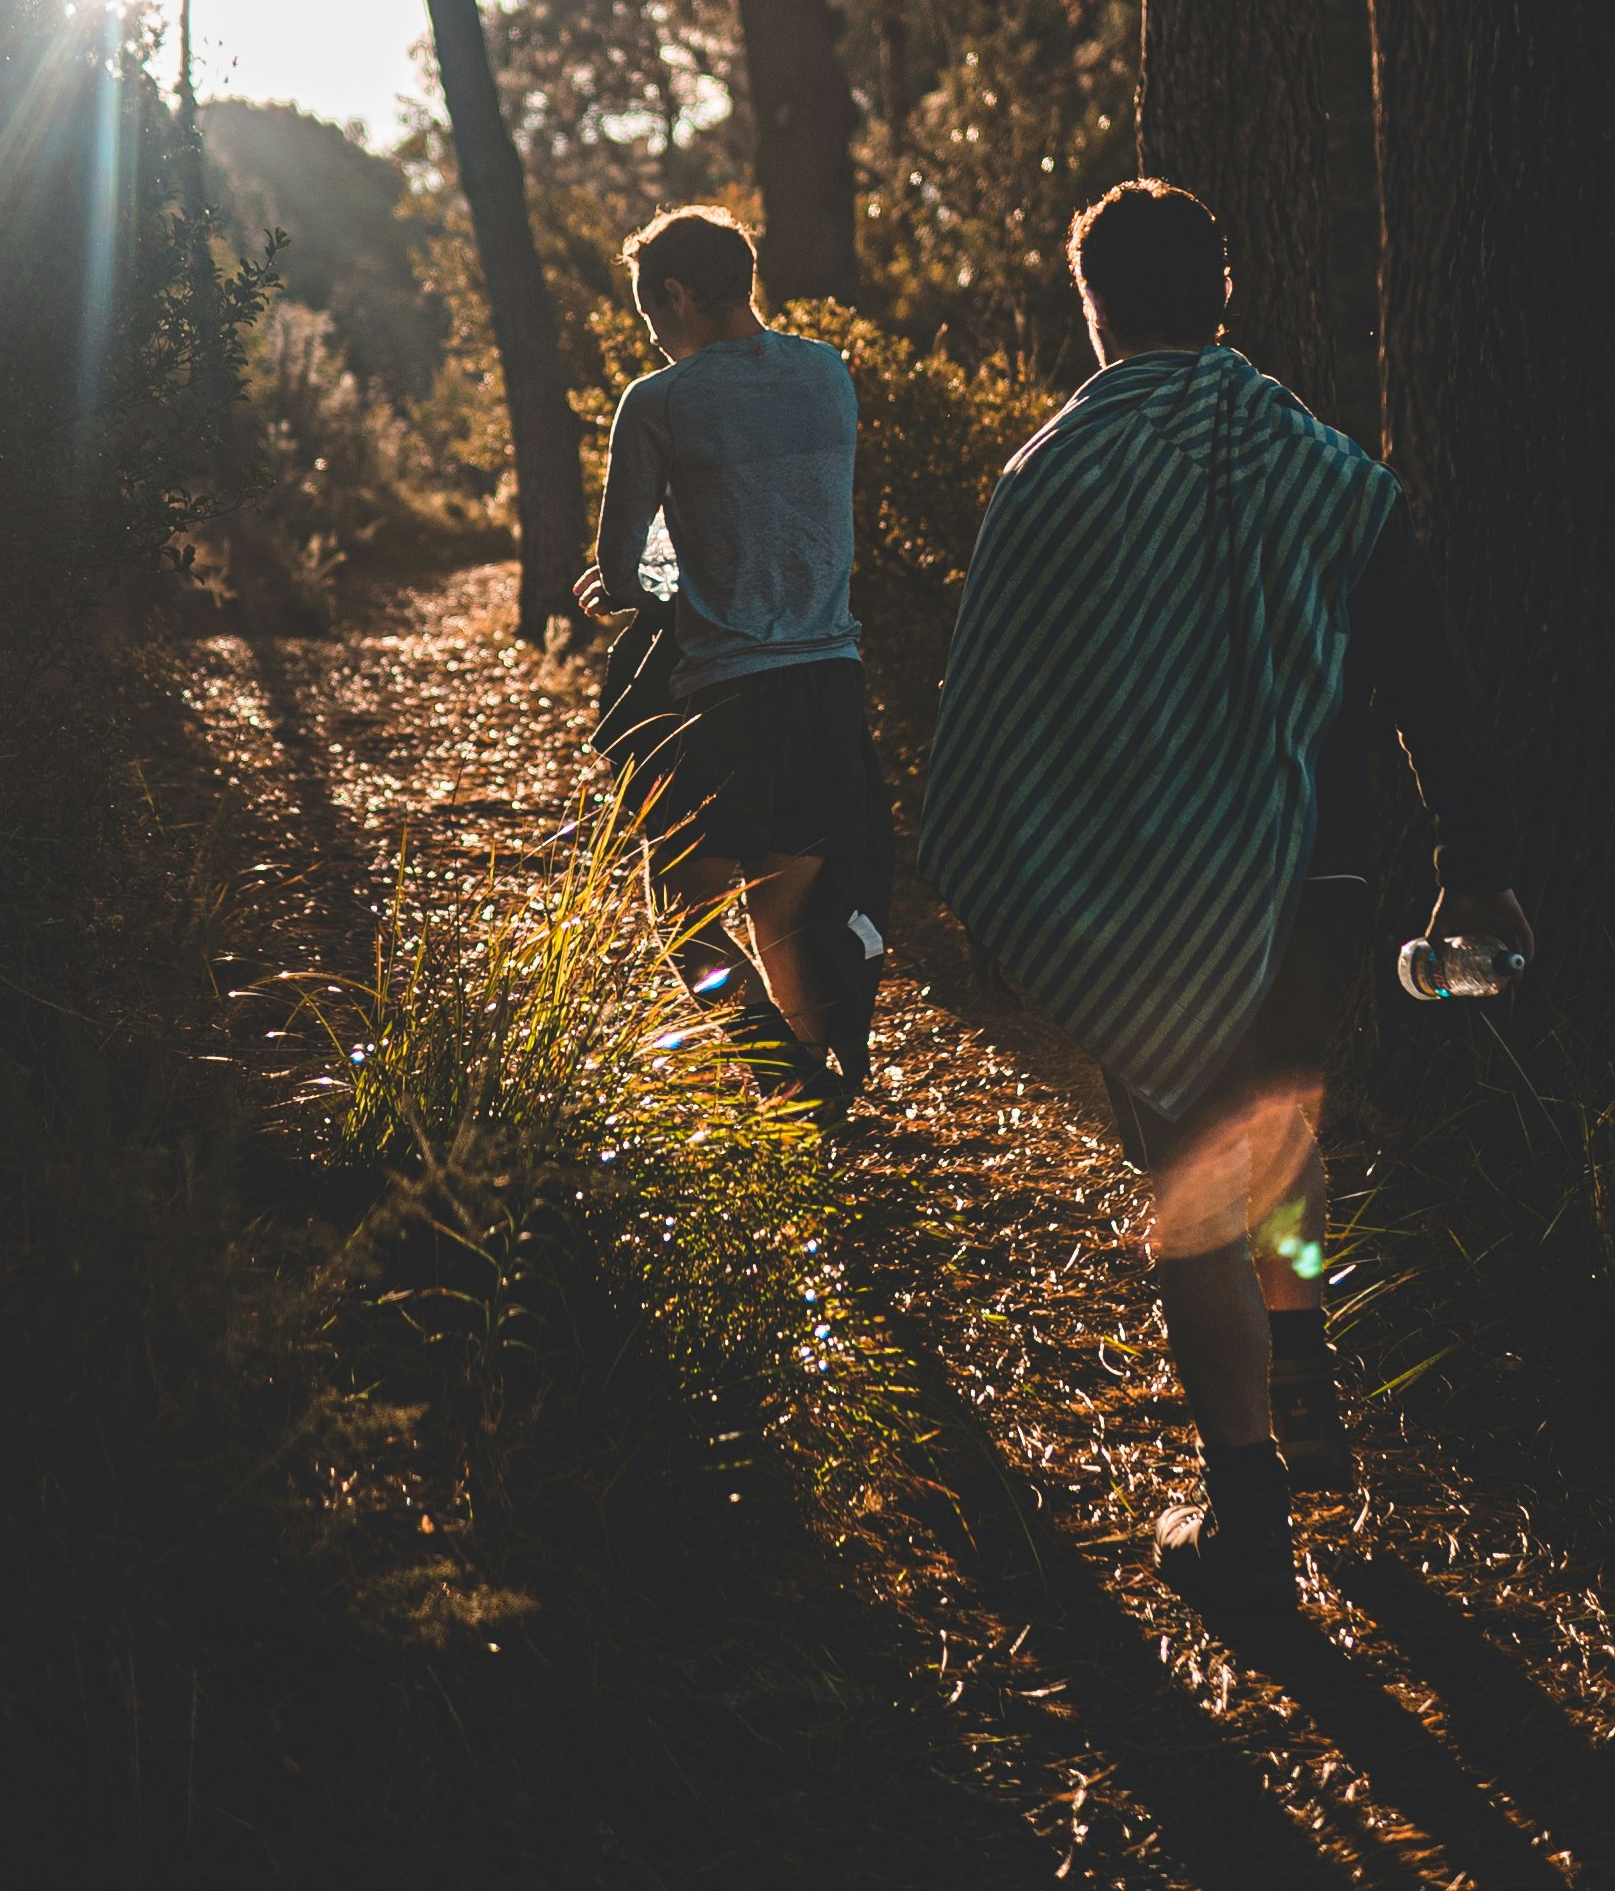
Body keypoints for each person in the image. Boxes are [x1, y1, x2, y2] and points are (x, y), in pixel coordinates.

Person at [919, 178, 1530, 1618]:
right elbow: (1431, 687)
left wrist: (997, 907)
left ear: (1095, 308)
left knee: (1195, 1180)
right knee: (1279, 1130)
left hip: (1137, 889)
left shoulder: (1049, 473)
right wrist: (1475, 863)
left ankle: (1247, 1504)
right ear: (1225, 291)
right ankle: (1300, 1365)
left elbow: (994, 713)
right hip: (1315, 883)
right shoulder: (1322, 466)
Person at [575, 206, 884, 1109]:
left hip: (731, 699)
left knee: (685, 912)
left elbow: (623, 571)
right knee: (781, 914)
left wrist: (619, 592)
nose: (655, 340)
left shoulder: (661, 400)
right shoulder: (828, 373)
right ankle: (820, 1098)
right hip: (831, 684)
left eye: (649, 317)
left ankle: (789, 1091)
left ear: (674, 295)